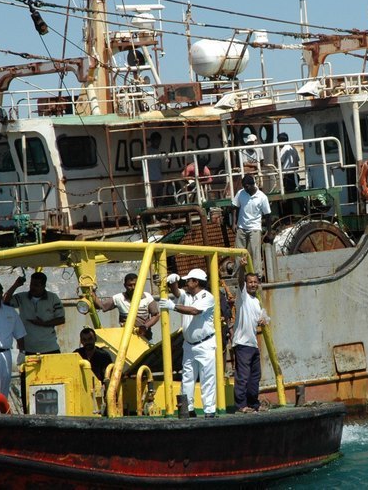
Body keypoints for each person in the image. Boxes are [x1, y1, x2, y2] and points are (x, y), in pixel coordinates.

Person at [159, 268, 217, 418]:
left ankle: (209, 411)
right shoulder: (188, 295)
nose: (186, 283)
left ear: (196, 282)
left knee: (207, 378)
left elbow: (194, 311)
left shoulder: (207, 297)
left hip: (205, 344)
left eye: (189, 280)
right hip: (189, 344)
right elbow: (178, 293)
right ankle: (188, 409)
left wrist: (173, 306)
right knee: (187, 378)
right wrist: (173, 282)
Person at [233, 270, 269, 413]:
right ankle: (241, 406)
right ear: (246, 284)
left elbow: (261, 318)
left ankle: (253, 404)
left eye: (255, 282)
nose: (253, 284)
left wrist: (263, 320)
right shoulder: (243, 297)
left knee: (255, 376)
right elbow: (240, 280)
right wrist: (242, 267)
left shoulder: (256, 302)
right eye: (250, 282)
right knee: (242, 377)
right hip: (242, 344)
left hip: (253, 344)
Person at [3, 271, 65, 355]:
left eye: (36, 285)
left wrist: (44, 323)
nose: (32, 287)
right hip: (28, 348)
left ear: (44, 286)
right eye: (31, 284)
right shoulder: (22, 297)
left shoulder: (53, 298)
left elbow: (61, 319)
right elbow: (4, 302)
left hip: (50, 347)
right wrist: (15, 285)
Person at [91, 273, 160, 341]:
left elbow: (156, 315)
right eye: (130, 285)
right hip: (126, 339)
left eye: (135, 285)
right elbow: (101, 306)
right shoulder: (119, 298)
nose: (133, 288)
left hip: (145, 338)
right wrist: (92, 292)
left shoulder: (147, 297)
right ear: (125, 286)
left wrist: (145, 326)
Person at [231, 174, 273, 278]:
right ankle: (238, 275)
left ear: (252, 185)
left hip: (254, 229)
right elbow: (235, 207)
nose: (245, 189)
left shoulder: (262, 197)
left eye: (246, 187)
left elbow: (268, 215)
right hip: (241, 228)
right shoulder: (241, 193)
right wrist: (234, 223)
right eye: (243, 187)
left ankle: (257, 276)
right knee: (238, 253)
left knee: (254, 253)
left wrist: (269, 232)